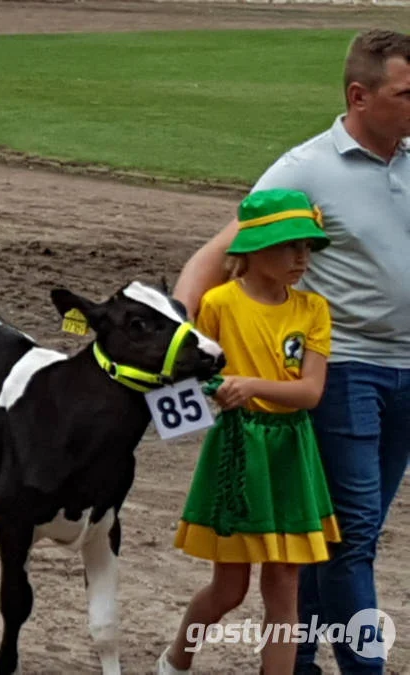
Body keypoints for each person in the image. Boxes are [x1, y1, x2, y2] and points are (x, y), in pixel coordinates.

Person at [172, 30, 410, 675]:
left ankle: (298, 660)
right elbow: (222, 252)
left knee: (340, 537)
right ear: (360, 96)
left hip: (408, 373)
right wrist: (177, 340)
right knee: (352, 538)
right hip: (348, 369)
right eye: (406, 93)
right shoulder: (306, 169)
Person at [158, 189, 339, 675]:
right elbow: (191, 373)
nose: (301, 258)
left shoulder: (313, 310)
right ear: (252, 250)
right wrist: (218, 389)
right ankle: (176, 661)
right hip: (238, 450)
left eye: (307, 248)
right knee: (228, 590)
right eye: (288, 247)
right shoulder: (218, 304)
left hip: (291, 453)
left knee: (285, 588)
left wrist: (251, 384)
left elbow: (311, 392)